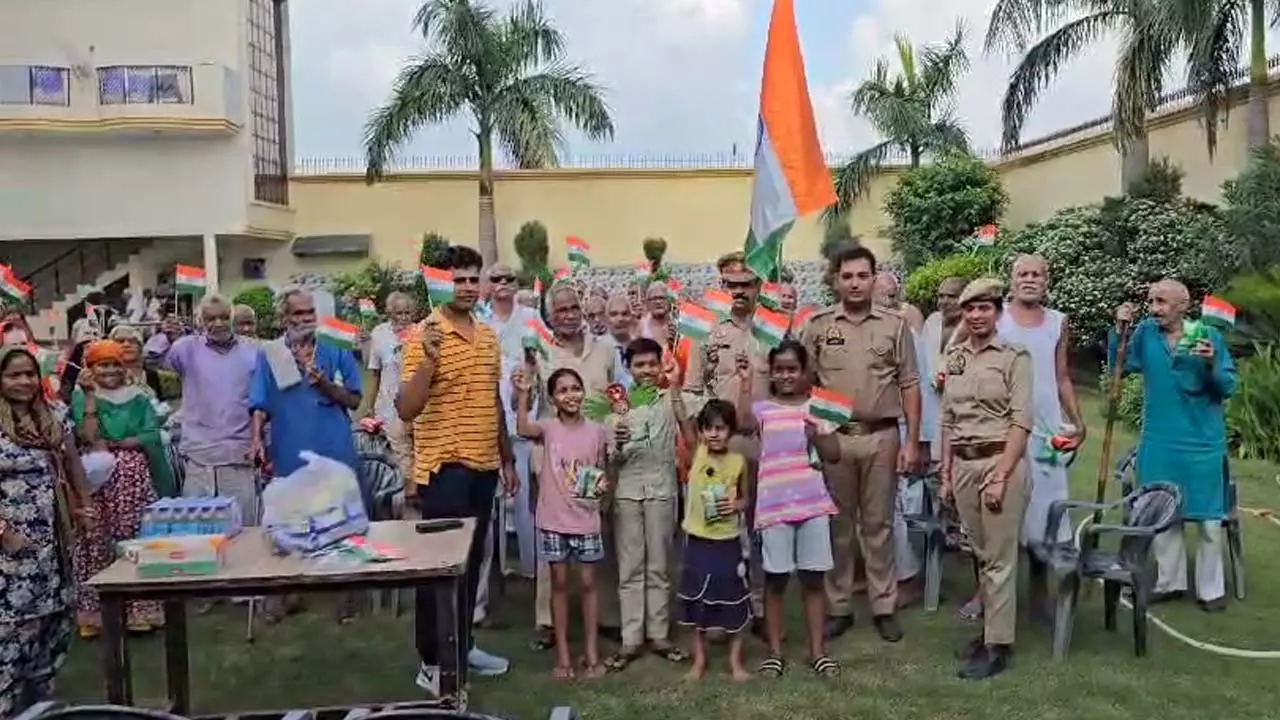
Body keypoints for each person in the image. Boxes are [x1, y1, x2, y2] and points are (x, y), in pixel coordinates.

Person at [397, 245, 517, 695]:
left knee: (468, 567)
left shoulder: (487, 336)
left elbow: (493, 403)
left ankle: (461, 646)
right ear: (441, 282)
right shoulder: (424, 334)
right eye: (458, 279)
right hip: (444, 470)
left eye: (473, 279)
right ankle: (431, 661)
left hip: (483, 467)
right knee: (438, 570)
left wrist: (506, 459)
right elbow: (407, 409)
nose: (467, 287)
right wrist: (428, 359)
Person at [803, 245, 921, 643]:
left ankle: (883, 604)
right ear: (836, 280)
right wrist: (812, 436)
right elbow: (805, 383)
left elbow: (909, 384)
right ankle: (838, 606)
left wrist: (912, 443)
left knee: (879, 525)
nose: (855, 283)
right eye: (847, 276)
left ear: (874, 278)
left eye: (862, 275)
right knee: (837, 525)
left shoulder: (895, 325)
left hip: (882, 437)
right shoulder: (818, 326)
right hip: (835, 438)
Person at [1112, 280, 1235, 611]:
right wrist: (1119, 331)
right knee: (1164, 514)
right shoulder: (1145, 334)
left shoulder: (1209, 336)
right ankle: (1171, 582)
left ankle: (1211, 590)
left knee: (1209, 522)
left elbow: (1227, 387)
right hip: (1159, 440)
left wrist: (1210, 364)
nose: (1154, 308)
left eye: (1162, 301)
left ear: (1184, 305)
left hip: (1202, 443)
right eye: (1151, 301)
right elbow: (1120, 368)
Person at [940, 278, 1033, 680]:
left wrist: (1000, 475)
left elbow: (1021, 420)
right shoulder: (955, 357)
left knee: (998, 558)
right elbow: (948, 419)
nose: (977, 316)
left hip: (999, 462)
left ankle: (998, 645)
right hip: (962, 464)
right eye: (970, 309)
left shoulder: (1016, 357)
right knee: (980, 554)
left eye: (985, 308)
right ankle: (989, 633)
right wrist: (944, 472)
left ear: (997, 312)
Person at [734, 340, 841, 678]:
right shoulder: (763, 409)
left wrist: (817, 436)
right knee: (775, 580)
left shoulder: (818, 408)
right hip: (774, 506)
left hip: (812, 504)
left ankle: (817, 651)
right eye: (779, 369)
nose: (785, 375)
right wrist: (746, 383)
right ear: (772, 372)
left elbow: (834, 453)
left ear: (804, 371)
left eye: (792, 369)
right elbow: (740, 421)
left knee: (813, 579)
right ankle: (775, 652)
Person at [524, 282, 622, 651]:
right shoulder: (541, 351)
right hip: (552, 457)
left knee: (599, 531)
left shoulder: (605, 350)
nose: (568, 315)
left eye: (572, 308)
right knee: (551, 536)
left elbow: (616, 398)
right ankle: (547, 622)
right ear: (550, 315)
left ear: (582, 310)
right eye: (560, 310)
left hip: (595, 454)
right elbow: (531, 399)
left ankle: (607, 615)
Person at [0, 345, 93, 717]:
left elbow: (73, 462)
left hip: (54, 541)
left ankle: (40, 704)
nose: (23, 382)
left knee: (55, 621)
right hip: (10, 546)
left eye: (28, 374)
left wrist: (84, 507)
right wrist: (4, 532)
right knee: (13, 629)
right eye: (13, 375)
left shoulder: (52, 415)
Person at [681, 252, 772, 628]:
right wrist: (710, 429)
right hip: (722, 446)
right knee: (722, 527)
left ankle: (762, 608)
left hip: (765, 442)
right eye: (731, 285)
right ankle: (721, 603)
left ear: (758, 286)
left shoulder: (773, 328)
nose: (738, 291)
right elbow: (691, 389)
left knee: (762, 528)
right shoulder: (707, 331)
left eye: (746, 284)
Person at [997, 254, 1086, 620]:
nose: (1030, 279)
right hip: (1003, 426)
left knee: (1045, 511)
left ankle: (1038, 593)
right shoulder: (996, 317)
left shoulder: (1057, 322)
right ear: (1012, 279)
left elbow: (1061, 375)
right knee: (1000, 508)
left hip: (1047, 431)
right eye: (1023, 273)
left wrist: (1077, 421)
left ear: (1047, 280)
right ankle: (988, 594)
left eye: (1037, 274)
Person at [604, 337, 698, 671]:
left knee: (660, 563)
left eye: (651, 364)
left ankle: (659, 634)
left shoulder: (669, 397)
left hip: (662, 489)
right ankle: (631, 638)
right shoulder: (617, 405)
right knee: (630, 565)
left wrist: (674, 393)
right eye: (639, 365)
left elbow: (691, 440)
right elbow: (611, 462)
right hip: (628, 492)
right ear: (628, 368)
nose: (646, 370)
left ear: (661, 365)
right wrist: (615, 445)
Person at [514, 367, 612, 680]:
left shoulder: (597, 431)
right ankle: (564, 657)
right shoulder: (548, 428)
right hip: (554, 520)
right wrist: (525, 393)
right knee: (558, 584)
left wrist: (602, 487)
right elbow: (523, 427)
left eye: (575, 388)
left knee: (587, 584)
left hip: (586, 520)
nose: (570, 395)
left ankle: (593, 653)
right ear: (553, 398)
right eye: (563, 390)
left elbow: (602, 472)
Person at [71, 340, 170, 636]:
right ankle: (95, 615)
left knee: (133, 540)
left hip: (134, 480)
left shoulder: (138, 396)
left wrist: (119, 443)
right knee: (95, 540)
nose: (111, 370)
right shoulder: (82, 397)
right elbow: (88, 436)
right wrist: (90, 398)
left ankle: (139, 610)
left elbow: (151, 433)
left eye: (115, 363)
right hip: (98, 479)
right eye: (103, 364)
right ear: (91, 368)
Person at [479, 264, 540, 612]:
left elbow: (541, 358)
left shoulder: (530, 316)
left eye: (508, 279)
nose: (502, 284)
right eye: (496, 279)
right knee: (489, 506)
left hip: (523, 416)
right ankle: (490, 581)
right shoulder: (481, 321)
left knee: (526, 500)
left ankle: (532, 573)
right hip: (486, 420)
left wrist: (530, 370)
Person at [250, 287, 362, 477]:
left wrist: (325, 385)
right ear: (285, 317)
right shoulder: (273, 351)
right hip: (291, 456)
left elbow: (354, 400)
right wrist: (256, 439)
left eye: (311, 312)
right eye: (298, 313)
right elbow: (259, 404)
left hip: (335, 454)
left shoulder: (336, 346)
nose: (307, 318)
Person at [678, 400, 751, 682]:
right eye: (708, 428)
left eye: (720, 428)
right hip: (698, 541)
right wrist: (673, 388)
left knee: (733, 602)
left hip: (727, 542)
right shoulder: (698, 454)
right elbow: (683, 421)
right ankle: (699, 661)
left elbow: (746, 499)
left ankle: (735, 663)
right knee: (697, 605)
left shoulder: (738, 462)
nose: (713, 434)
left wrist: (736, 506)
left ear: (730, 431)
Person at [368, 292, 418, 483]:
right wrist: (370, 405)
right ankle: (408, 489)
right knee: (400, 449)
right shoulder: (379, 334)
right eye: (399, 313)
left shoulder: (420, 332)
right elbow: (374, 372)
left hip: (416, 401)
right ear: (390, 313)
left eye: (408, 313)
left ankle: (417, 487)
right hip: (389, 403)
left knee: (416, 448)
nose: (404, 318)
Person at [109, 325, 165, 399]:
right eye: (120, 341)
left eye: (132, 341)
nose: (126, 344)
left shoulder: (155, 376)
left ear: (140, 347)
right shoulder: (102, 377)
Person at [599, 292, 637, 388]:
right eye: (614, 314)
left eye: (625, 314)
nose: (620, 319)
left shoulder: (641, 347)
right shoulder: (596, 348)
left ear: (632, 318)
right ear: (605, 319)